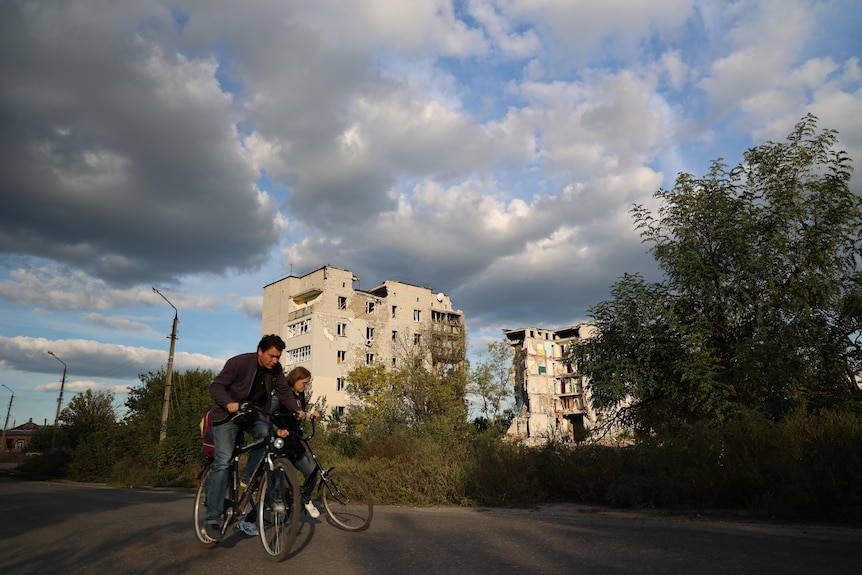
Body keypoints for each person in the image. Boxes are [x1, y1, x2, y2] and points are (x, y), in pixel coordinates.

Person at [203, 334, 296, 543]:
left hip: (252, 415)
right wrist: (228, 403)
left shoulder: (276, 370)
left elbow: (284, 393)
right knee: (223, 461)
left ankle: (248, 476)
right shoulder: (238, 363)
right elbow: (215, 387)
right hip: (227, 416)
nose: (275, 361)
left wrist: (297, 410)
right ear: (260, 352)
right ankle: (212, 520)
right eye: (272, 356)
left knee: (267, 435)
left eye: (278, 357)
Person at [273, 366, 322, 519]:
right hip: (280, 443)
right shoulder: (281, 395)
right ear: (295, 379)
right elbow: (269, 415)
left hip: (294, 442)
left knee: (312, 473)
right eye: (304, 383)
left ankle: (305, 499)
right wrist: (277, 430)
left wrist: (309, 415)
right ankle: (251, 520)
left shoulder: (300, 395)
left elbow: (297, 414)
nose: (305, 386)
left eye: (307, 384)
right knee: (277, 483)